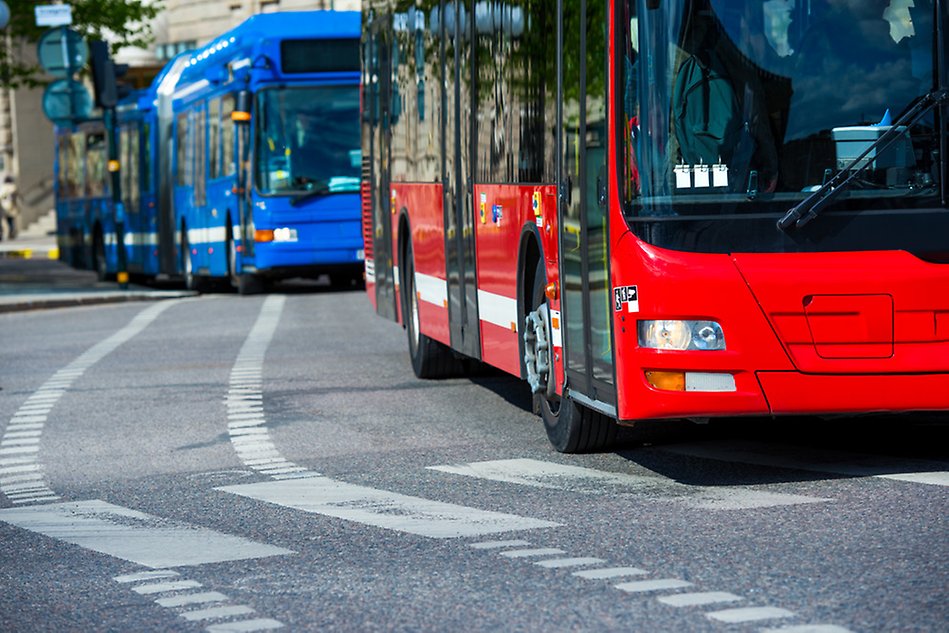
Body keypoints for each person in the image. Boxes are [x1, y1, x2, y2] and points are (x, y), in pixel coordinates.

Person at [0, 175, 20, 240]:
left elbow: (1, 196)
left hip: (4, 206)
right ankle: (11, 233)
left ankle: (8, 233)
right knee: (10, 221)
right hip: (11, 206)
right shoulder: (13, 187)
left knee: (5, 221)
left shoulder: (3, 187)